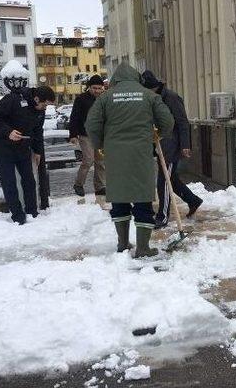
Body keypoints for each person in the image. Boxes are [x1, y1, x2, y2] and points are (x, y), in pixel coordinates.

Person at [85, 62, 174, 257]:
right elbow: (168, 121)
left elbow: (91, 123)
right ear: (136, 78)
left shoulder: (105, 98)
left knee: (119, 197)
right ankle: (143, 247)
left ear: (116, 79)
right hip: (141, 154)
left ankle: (123, 243)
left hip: (115, 155)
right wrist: (158, 134)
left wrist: (100, 143)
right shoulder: (149, 96)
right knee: (142, 198)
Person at [0, 60, 55, 225]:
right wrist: (8, 132)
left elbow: (37, 131)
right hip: (2, 148)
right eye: (44, 105)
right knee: (10, 183)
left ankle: (32, 212)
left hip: (22, 148)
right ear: (37, 98)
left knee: (29, 181)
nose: (45, 108)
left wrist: (38, 151)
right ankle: (18, 217)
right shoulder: (13, 99)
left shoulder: (40, 111)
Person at [139, 70, 203, 228]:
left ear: (152, 87)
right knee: (171, 179)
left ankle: (163, 216)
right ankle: (193, 200)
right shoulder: (151, 99)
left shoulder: (171, 98)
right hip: (160, 144)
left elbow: (182, 122)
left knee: (163, 181)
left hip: (171, 146)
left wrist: (186, 145)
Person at [69, 74, 107, 207]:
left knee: (101, 161)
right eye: (94, 88)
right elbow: (74, 117)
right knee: (88, 159)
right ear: (89, 88)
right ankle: (79, 184)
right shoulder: (81, 99)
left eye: (99, 88)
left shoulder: (105, 99)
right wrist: (73, 134)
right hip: (85, 135)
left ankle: (100, 186)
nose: (97, 90)